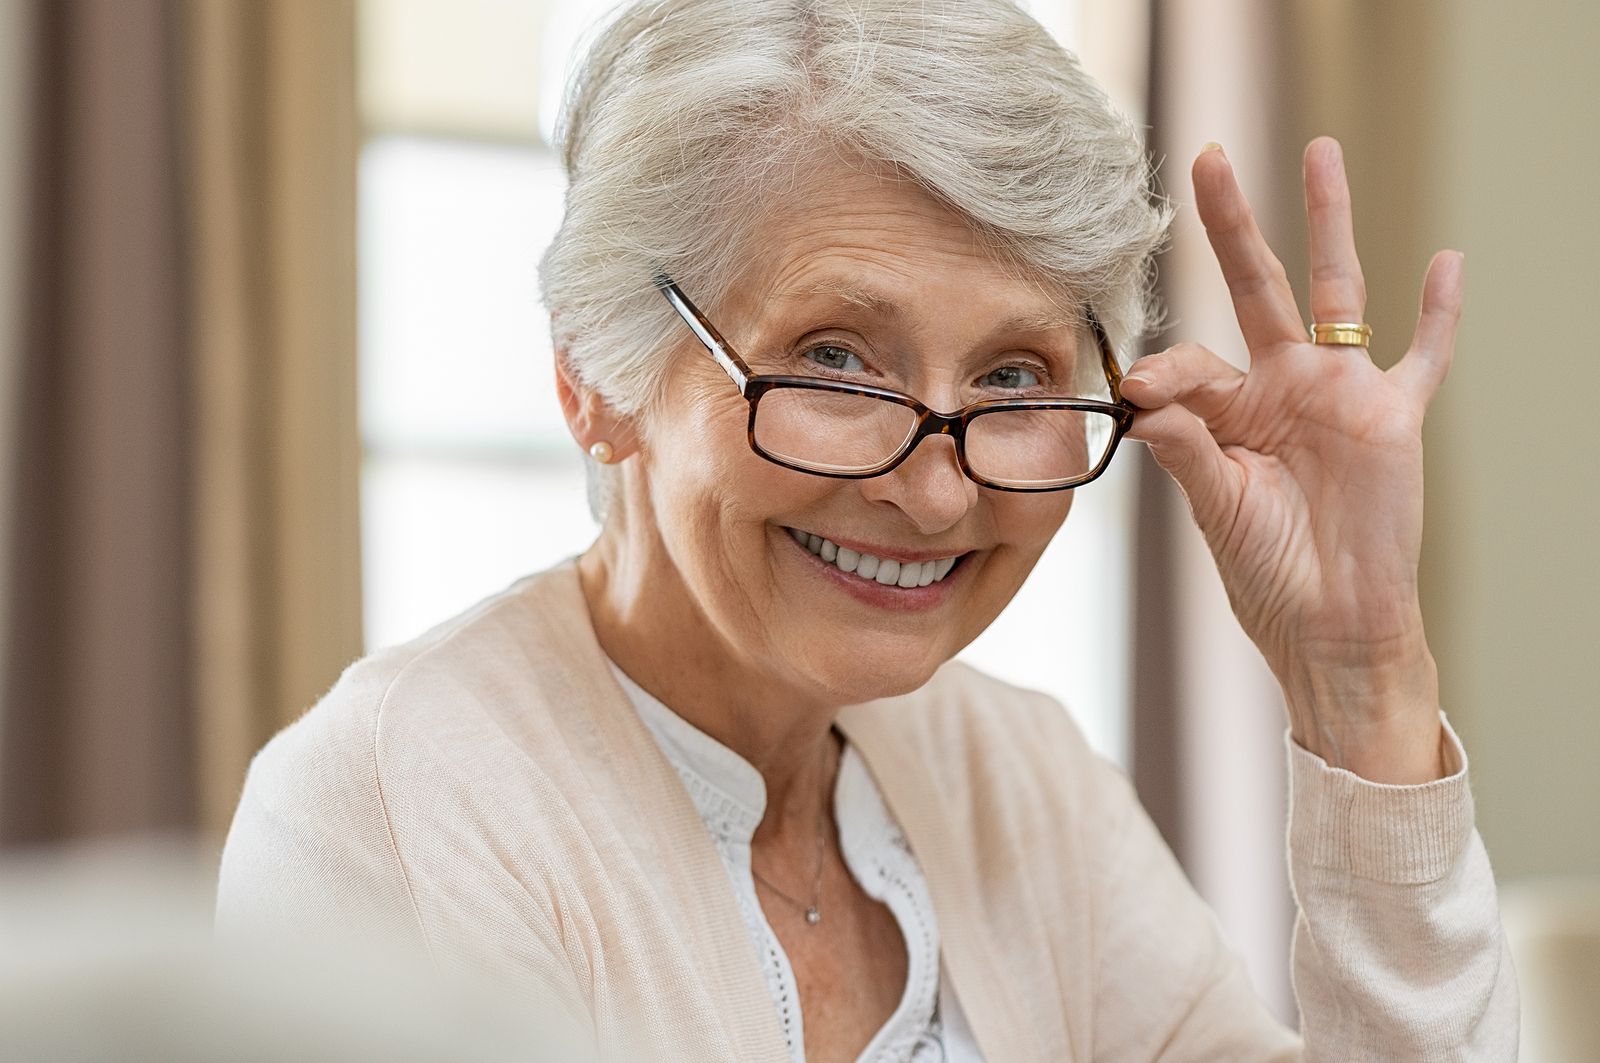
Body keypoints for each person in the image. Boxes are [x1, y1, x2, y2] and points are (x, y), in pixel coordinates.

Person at [216, 1, 1518, 1059]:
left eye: (1013, 376)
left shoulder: (1019, 775)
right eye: (836, 362)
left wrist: (1361, 686)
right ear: (593, 382)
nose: (939, 494)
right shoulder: (392, 813)